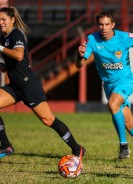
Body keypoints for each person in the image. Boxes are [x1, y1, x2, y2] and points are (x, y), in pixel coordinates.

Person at [0, 7, 85, 159]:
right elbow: (8, 66)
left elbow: (19, 56)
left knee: (48, 120)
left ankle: (77, 148)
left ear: (12, 20)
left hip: (28, 86)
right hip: (14, 86)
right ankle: (6, 146)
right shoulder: (3, 38)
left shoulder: (16, 34)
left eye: (3, 19)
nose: (0, 22)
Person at [76, 11, 133, 159]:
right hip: (109, 85)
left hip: (126, 81)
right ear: (97, 26)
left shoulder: (124, 37)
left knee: (112, 105)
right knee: (128, 123)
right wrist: (79, 56)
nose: (103, 28)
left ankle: (123, 146)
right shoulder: (92, 40)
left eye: (107, 24)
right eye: (100, 24)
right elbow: (79, 65)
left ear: (113, 25)